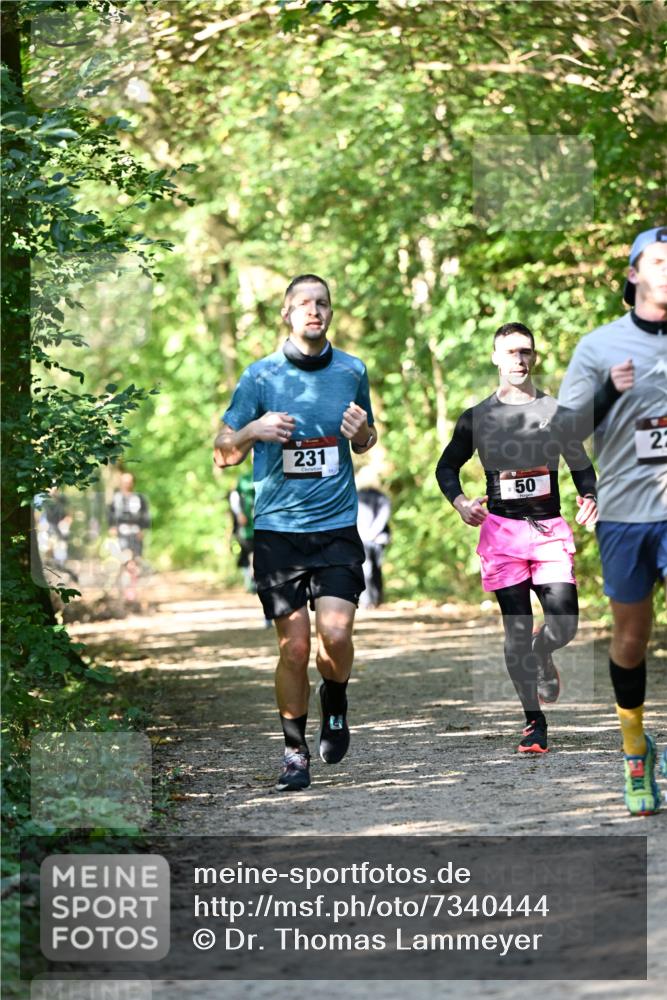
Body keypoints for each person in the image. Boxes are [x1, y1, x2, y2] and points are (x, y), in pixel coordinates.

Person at [213, 274, 377, 792]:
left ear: (331, 313)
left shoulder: (352, 370)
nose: (314, 310)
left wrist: (363, 434)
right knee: (294, 649)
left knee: (336, 635)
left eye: (323, 303)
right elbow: (222, 452)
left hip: (336, 529)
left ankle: (336, 700)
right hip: (279, 533)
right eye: (304, 303)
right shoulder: (260, 377)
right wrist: (251, 430)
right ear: (286, 313)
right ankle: (293, 752)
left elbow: (366, 438)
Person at [435, 322, 627, 755]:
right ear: (495, 358)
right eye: (510, 353)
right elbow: (446, 468)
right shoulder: (477, 418)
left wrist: (589, 495)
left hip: (548, 532)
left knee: (565, 625)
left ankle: (545, 653)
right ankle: (533, 721)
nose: (519, 360)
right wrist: (461, 502)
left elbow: (579, 465)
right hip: (501, 534)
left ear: (534, 358)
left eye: (526, 352)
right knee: (515, 630)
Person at [559, 225, 667, 816]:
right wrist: (605, 392)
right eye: (657, 261)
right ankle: (635, 749)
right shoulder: (600, 347)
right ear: (633, 275)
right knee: (630, 639)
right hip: (626, 512)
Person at [107, 472, 151, 601]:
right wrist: (112, 527)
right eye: (125, 481)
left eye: (129, 481)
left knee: (135, 562)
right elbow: (110, 514)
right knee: (126, 560)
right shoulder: (116, 498)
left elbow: (145, 514)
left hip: (135, 532)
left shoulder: (139, 498)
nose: (127, 484)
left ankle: (132, 590)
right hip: (122, 533)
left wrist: (142, 529)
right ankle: (124, 591)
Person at [357, 482, 391, 608]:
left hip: (364, 537)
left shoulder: (356, 495)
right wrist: (372, 533)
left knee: (368, 568)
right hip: (376, 538)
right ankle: (373, 599)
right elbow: (383, 517)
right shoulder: (382, 497)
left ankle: (370, 600)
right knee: (373, 568)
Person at [229, 468, 256, 593]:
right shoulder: (244, 478)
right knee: (246, 553)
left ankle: (254, 580)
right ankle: (249, 581)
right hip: (246, 527)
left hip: (262, 525)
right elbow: (234, 496)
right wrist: (239, 513)